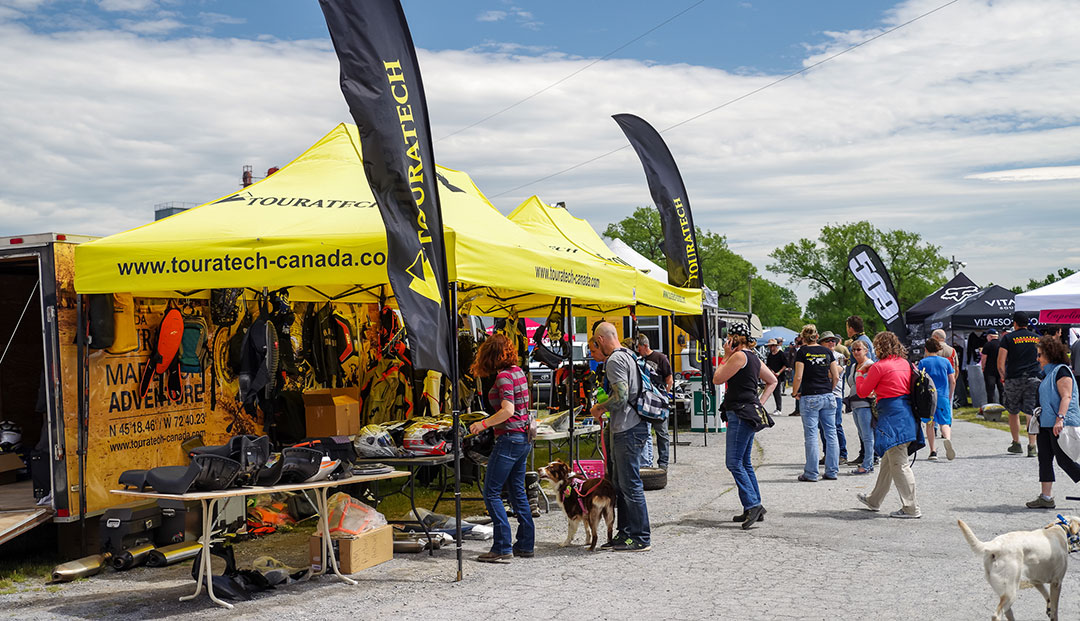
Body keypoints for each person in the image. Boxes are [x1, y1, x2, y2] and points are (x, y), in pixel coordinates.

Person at [468, 333, 534, 562]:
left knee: (491, 492)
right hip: (524, 439)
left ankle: (502, 546)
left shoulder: (504, 377)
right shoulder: (519, 373)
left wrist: (482, 424)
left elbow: (508, 410)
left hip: (509, 439)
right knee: (518, 493)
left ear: (491, 355)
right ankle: (525, 544)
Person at [589, 322, 650, 552]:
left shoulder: (614, 360)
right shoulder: (629, 355)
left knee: (630, 484)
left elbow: (621, 397)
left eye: (596, 343)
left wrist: (600, 408)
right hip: (630, 426)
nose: (596, 347)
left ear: (601, 340)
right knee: (621, 485)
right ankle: (625, 533)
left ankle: (641, 536)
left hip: (628, 428)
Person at [714, 322, 777, 529]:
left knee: (733, 462)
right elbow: (772, 380)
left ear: (733, 339)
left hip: (740, 413)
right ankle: (754, 504)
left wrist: (724, 356)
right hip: (749, 412)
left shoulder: (739, 357)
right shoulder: (753, 357)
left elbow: (717, 379)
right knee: (745, 462)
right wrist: (760, 402)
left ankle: (752, 504)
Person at [855, 331, 925, 519]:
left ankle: (911, 508)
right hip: (907, 414)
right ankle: (874, 500)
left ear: (879, 347)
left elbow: (862, 392)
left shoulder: (879, 367)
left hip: (891, 417)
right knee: (889, 460)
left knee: (899, 463)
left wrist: (860, 373)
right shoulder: (905, 363)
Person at [1026, 335, 1080, 509]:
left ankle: (1046, 497)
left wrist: (1060, 419)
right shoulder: (1048, 373)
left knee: (1064, 460)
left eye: (1040, 354)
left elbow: (1067, 396)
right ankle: (1046, 497)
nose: (1037, 358)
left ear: (1050, 354)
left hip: (1058, 423)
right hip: (1046, 423)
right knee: (1044, 458)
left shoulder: (1062, 371)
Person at [791, 324, 840, 481]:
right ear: (817, 336)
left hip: (810, 396)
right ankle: (832, 471)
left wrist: (794, 392)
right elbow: (836, 376)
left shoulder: (802, 352)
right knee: (831, 433)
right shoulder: (827, 351)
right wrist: (829, 389)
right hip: (827, 396)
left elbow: (798, 376)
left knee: (811, 435)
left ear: (803, 338)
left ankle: (811, 473)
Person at [998, 311, 1041, 457]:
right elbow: (1042, 358)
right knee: (1030, 411)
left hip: (1014, 378)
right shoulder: (1037, 338)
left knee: (1013, 411)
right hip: (1034, 377)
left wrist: (1004, 377)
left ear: (1014, 323)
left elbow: (1000, 362)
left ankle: (1016, 443)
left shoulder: (1008, 338)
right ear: (1028, 323)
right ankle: (1032, 445)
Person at [635, 334, 672, 471]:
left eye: (639, 347)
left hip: (658, 402)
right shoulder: (638, 360)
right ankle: (645, 462)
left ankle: (663, 464)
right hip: (644, 402)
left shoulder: (660, 358)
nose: (638, 350)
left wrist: (665, 396)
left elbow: (669, 379)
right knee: (644, 432)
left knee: (662, 433)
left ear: (645, 346)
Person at [918, 338, 956, 461]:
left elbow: (919, 379)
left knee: (930, 423)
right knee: (944, 422)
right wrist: (949, 394)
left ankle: (933, 451)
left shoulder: (923, 362)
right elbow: (953, 380)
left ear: (926, 349)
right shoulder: (945, 362)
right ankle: (947, 439)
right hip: (943, 395)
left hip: (929, 397)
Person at [846, 339, 875, 474]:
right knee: (862, 435)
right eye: (854, 350)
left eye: (859, 349)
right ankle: (868, 461)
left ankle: (868, 464)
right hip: (855, 404)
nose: (856, 352)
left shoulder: (870, 365)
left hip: (865, 404)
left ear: (866, 350)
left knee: (868, 435)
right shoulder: (854, 366)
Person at [819, 331, 848, 465]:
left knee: (836, 425)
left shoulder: (839, 356)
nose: (832, 342)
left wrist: (821, 371)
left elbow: (836, 373)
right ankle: (828, 454)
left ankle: (842, 454)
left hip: (834, 395)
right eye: (828, 340)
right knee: (822, 427)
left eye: (833, 340)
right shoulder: (819, 355)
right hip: (820, 394)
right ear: (821, 343)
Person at [980, 329, 1004, 404]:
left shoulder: (987, 345)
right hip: (1000, 369)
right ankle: (1003, 404)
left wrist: (982, 367)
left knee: (990, 389)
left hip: (990, 370)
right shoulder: (1002, 344)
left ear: (990, 336)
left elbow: (984, 358)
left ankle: (991, 404)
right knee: (1001, 389)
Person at [764, 339, 788, 413]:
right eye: (769, 346)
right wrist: (770, 370)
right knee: (773, 391)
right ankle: (777, 407)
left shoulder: (781, 354)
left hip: (779, 375)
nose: (770, 348)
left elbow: (786, 364)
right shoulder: (770, 355)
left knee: (777, 392)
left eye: (772, 346)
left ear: (775, 346)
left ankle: (779, 408)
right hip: (772, 375)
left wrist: (779, 372)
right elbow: (768, 365)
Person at [785, 337, 802, 416]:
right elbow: (789, 358)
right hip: (794, 368)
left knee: (803, 388)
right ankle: (797, 409)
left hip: (803, 370)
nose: (797, 342)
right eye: (796, 340)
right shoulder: (792, 349)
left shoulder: (804, 349)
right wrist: (789, 366)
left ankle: (802, 409)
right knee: (797, 387)